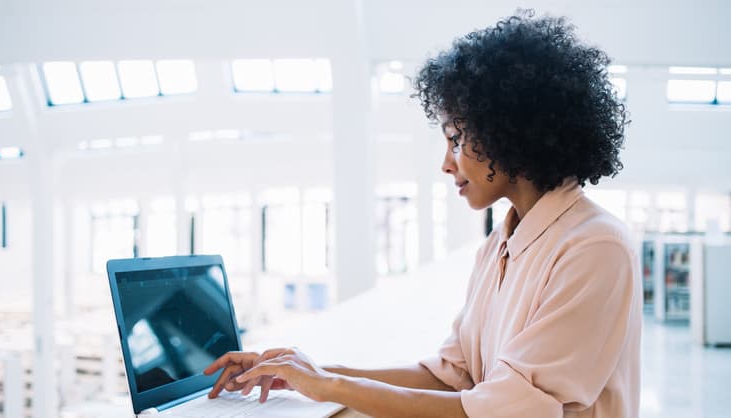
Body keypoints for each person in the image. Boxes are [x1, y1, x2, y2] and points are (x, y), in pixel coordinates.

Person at [203, 10, 641, 418]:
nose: (446, 163)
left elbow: (500, 408)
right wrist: (305, 373)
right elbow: (451, 378)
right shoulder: (497, 248)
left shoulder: (595, 247)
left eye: (455, 139)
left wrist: (331, 386)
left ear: (509, 132)